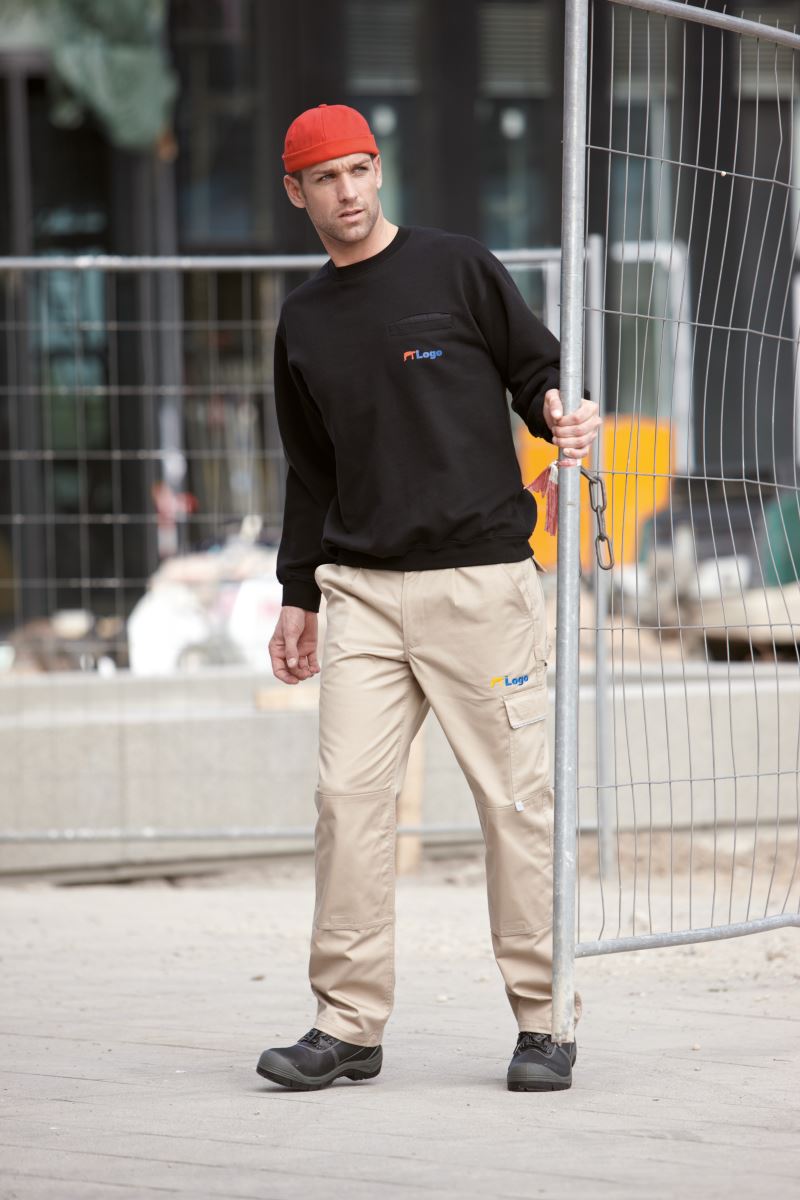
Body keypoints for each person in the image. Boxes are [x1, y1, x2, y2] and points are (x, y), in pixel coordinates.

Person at [256, 103, 601, 1094]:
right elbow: (310, 471)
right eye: (325, 178)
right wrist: (297, 595)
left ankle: (543, 1024)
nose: (348, 191)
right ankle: (347, 1026)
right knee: (346, 805)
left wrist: (558, 411)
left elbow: (539, 372)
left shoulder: (457, 267)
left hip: (478, 585)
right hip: (361, 593)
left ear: (379, 171)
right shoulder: (303, 319)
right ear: (296, 192)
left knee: (515, 806)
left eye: (360, 169)